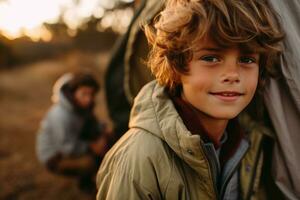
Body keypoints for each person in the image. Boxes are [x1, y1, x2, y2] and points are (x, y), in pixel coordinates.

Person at [96, 0, 285, 199]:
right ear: (176, 66)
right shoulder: (138, 160)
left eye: (246, 60)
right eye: (211, 58)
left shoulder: (252, 143)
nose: (232, 75)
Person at [36, 72, 109, 192]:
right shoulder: (60, 115)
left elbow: (93, 125)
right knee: (89, 163)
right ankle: (85, 185)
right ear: (73, 93)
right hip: (54, 156)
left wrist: (103, 132)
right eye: (84, 94)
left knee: (108, 140)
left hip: (73, 144)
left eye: (91, 94)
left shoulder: (82, 106)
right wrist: (92, 146)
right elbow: (66, 147)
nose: (89, 99)